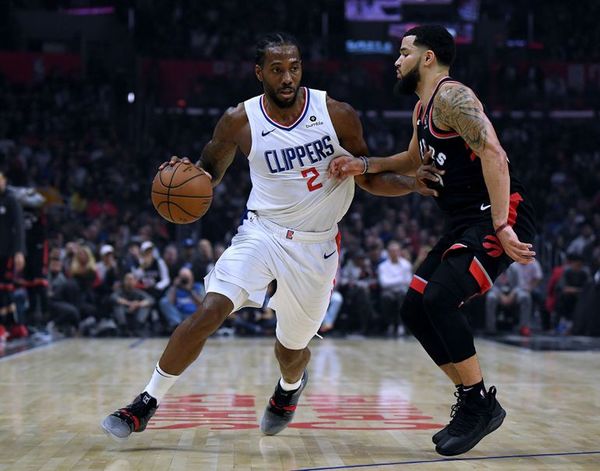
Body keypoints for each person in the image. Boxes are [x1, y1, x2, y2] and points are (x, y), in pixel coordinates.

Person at [102, 32, 434, 440]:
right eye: (277, 69)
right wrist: (183, 174)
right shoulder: (239, 121)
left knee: (291, 352)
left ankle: (289, 388)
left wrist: (411, 184)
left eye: (293, 67)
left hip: (317, 247)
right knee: (210, 310)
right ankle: (146, 403)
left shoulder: (337, 113)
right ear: (259, 73)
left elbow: (369, 175)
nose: (287, 77)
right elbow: (208, 171)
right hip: (262, 232)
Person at [329, 25, 536, 456]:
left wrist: (501, 225)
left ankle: (479, 402)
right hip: (463, 221)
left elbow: (495, 153)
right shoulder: (423, 108)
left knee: (441, 299)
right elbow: (411, 158)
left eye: (403, 52)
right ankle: (473, 399)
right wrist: (361, 164)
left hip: (496, 213)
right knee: (414, 307)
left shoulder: (452, 97)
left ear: (427, 58)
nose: (396, 60)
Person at [0, 171, 27, 340]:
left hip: (7, 252)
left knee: (5, 289)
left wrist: (19, 251)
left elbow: (19, 228)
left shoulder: (11, 200)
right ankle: (12, 325)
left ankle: (6, 326)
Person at [158, 267, 204, 331]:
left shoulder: (198, 287)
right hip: (180, 315)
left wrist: (190, 291)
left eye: (186, 277)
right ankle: (176, 325)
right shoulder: (175, 289)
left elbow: (203, 303)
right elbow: (169, 302)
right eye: (182, 277)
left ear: (192, 277)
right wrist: (174, 286)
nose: (184, 280)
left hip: (195, 316)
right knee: (164, 301)